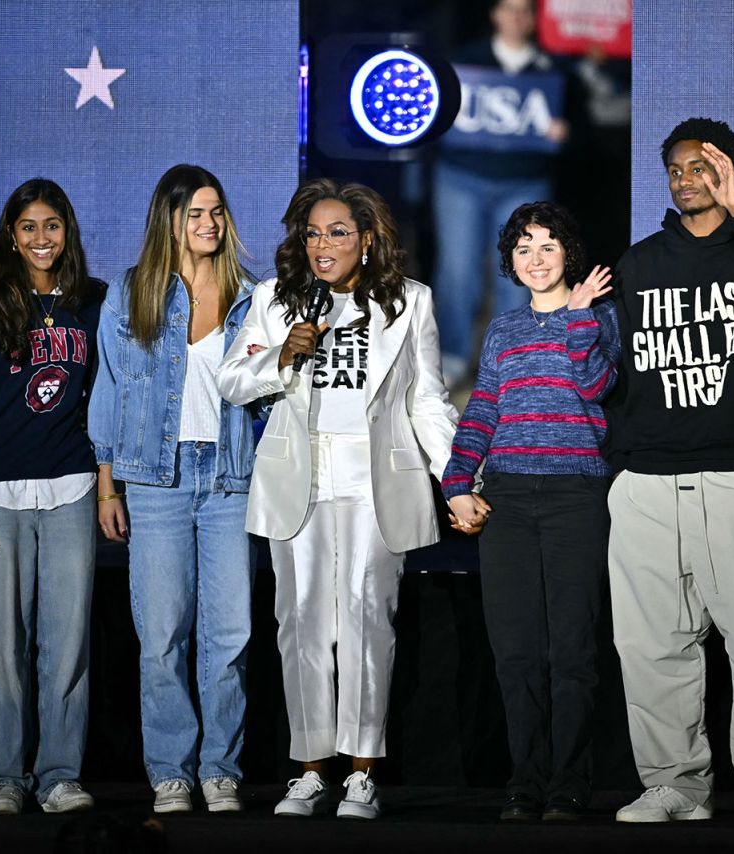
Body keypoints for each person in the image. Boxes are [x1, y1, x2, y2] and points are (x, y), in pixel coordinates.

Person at [217, 179, 457, 820]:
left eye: (338, 233)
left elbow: (427, 400)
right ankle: (309, 769)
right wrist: (280, 355)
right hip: (300, 483)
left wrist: (458, 480)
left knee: (365, 625)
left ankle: (361, 773)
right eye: (313, 233)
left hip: (377, 486)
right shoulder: (275, 298)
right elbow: (233, 381)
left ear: (368, 238)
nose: (323, 245)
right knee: (300, 627)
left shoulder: (410, 303)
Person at [604, 118, 734, 825]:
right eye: (676, 166)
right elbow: (606, 367)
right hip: (645, 480)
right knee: (652, 643)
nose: (686, 176)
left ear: (729, 173)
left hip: (731, 474)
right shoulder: (638, 264)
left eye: (703, 166)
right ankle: (675, 783)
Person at [0, 178, 104, 816]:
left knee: (65, 644)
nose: (41, 239)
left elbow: (106, 398)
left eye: (52, 226)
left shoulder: (92, 304)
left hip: (71, 491)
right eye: (29, 227)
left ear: (68, 232)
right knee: (0, 647)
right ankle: (2, 776)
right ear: (11, 233)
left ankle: (59, 774)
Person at [89, 165, 257, 815]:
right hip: (153, 480)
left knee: (230, 635)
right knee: (161, 635)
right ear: (170, 219)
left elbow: (267, 393)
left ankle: (220, 769)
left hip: (230, 477)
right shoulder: (133, 292)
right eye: (194, 213)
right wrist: (108, 487)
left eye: (216, 211)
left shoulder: (251, 294)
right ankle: (171, 771)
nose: (208, 224)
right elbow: (109, 390)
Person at [443, 201, 617, 822]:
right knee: (515, 651)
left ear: (568, 252)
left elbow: (596, 389)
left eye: (547, 245)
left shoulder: (600, 318)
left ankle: (570, 783)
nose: (535, 258)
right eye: (523, 248)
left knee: (571, 650)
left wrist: (577, 321)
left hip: (577, 494)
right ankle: (525, 780)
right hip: (509, 497)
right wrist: (457, 480)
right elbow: (484, 407)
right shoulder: (506, 329)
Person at [431, 0, 573, 386]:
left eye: (524, 9)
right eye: (508, 8)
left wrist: (564, 131)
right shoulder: (464, 61)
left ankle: (511, 362)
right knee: (458, 272)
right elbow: (433, 117)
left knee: (522, 274)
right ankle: (453, 355)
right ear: (493, 14)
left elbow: (579, 130)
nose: (516, 17)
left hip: (524, 183)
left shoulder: (553, 67)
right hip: (462, 177)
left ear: (534, 17)